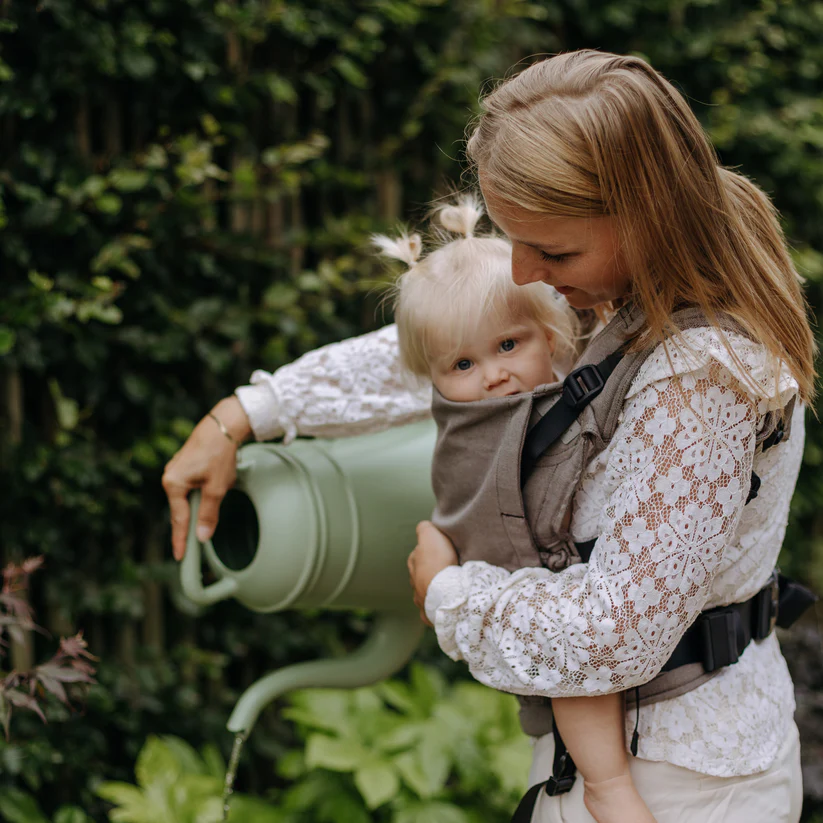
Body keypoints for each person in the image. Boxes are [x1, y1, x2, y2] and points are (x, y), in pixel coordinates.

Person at [163, 50, 813, 822]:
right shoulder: (626, 292)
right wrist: (241, 414)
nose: (527, 272)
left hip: (680, 785)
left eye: (553, 250)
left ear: (645, 213)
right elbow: (454, 346)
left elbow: (614, 635)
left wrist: (446, 591)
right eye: (515, 240)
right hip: (628, 765)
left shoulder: (701, 376)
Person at [377, 195, 655, 823]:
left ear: (550, 336)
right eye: (464, 364)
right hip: (526, 583)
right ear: (433, 374)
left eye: (509, 344)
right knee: (574, 677)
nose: (495, 376)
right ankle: (607, 785)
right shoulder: (476, 431)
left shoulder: (564, 368)